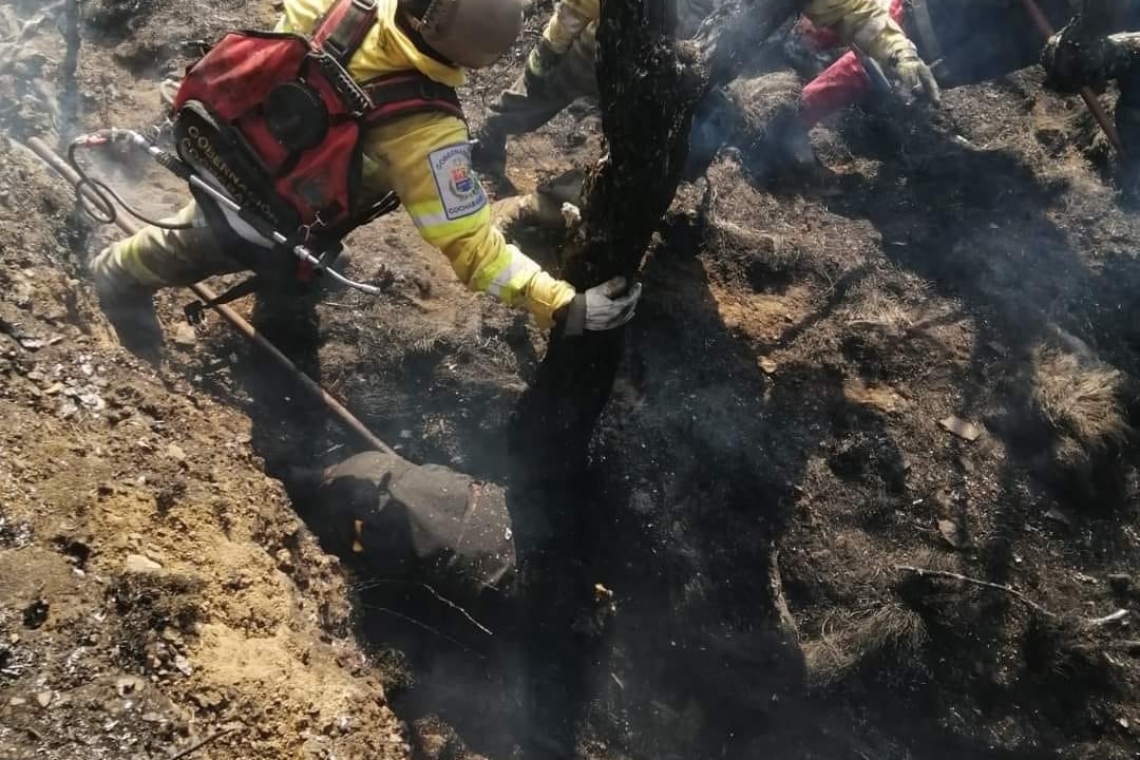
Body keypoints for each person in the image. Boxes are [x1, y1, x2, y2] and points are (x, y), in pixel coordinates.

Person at [90, 0, 641, 354]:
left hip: (217, 140)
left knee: (227, 233)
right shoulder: (428, 132)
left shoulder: (345, 6)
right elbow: (476, 252)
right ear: (475, 60)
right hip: (267, 215)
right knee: (194, 243)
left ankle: (275, 279)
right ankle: (115, 276)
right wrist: (563, 306)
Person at [471, 0, 719, 176]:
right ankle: (487, 141)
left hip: (650, 72)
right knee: (540, 91)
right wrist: (551, 48)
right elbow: (579, 6)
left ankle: (589, 198)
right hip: (599, 50)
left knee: (630, 148)